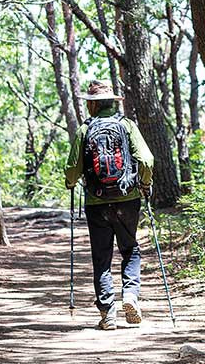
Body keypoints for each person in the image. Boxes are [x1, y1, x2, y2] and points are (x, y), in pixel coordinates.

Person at [65, 80, 154, 330]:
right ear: (113, 102)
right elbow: (146, 160)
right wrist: (145, 184)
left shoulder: (85, 129)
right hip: (128, 199)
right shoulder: (126, 126)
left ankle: (108, 313)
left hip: (97, 201)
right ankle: (130, 296)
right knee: (130, 249)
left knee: (102, 257)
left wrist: (70, 183)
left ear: (92, 106)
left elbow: (72, 170)